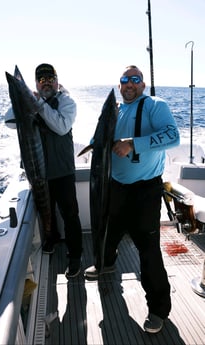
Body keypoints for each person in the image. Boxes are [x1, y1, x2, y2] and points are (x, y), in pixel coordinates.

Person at [85, 65, 180, 333]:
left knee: (148, 250)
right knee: (108, 233)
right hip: (115, 187)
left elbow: (173, 136)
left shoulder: (154, 105)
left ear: (143, 84)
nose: (129, 84)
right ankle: (105, 265)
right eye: (125, 80)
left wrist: (133, 143)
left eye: (135, 79)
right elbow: (98, 139)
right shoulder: (116, 109)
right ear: (119, 85)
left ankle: (159, 310)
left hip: (145, 191)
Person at [5, 63, 82, 278]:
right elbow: (9, 121)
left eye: (50, 78)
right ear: (36, 84)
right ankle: (52, 238)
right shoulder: (30, 100)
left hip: (62, 171)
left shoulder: (67, 102)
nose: (46, 82)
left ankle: (75, 255)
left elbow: (61, 127)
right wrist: (22, 97)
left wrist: (37, 102)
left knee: (70, 214)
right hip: (38, 172)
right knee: (44, 209)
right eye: (41, 80)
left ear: (57, 81)